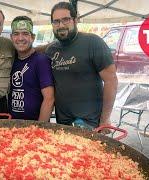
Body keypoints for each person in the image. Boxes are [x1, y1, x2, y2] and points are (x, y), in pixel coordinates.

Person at [45, 2, 118, 130]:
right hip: (63, 122)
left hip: (90, 123)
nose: (61, 25)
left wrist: (105, 119)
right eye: (56, 21)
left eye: (65, 20)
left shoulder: (93, 42)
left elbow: (111, 80)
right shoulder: (51, 50)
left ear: (75, 20)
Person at [9, 16, 54, 121]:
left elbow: (49, 99)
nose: (20, 38)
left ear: (32, 37)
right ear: (11, 37)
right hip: (12, 125)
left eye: (25, 33)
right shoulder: (10, 60)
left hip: (34, 125)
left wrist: (39, 129)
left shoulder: (41, 61)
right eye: (16, 34)